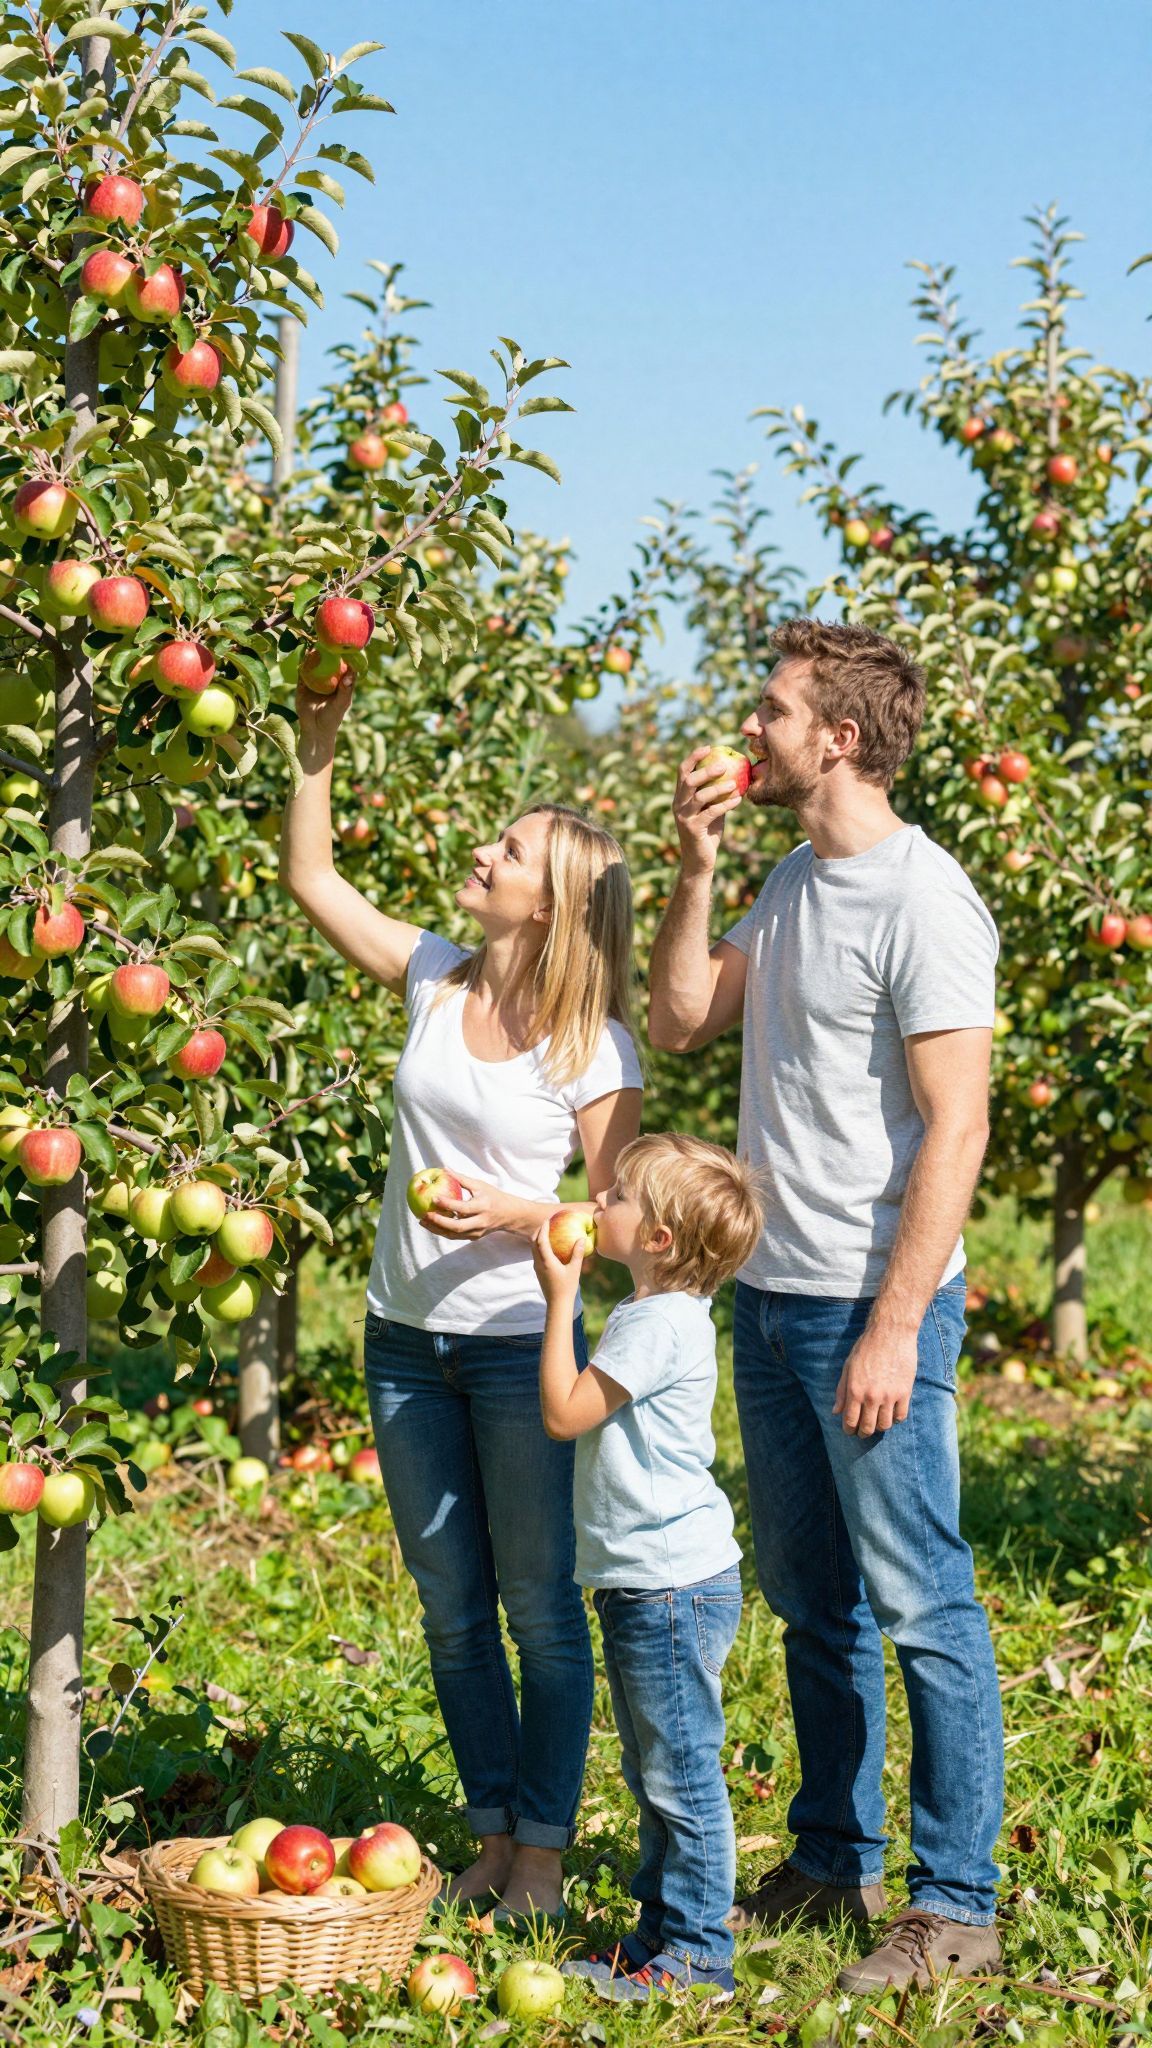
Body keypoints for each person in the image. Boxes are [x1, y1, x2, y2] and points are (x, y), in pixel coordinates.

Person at [647, 618, 1004, 1992]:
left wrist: (899, 1325)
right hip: (774, 1294)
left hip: (872, 1304)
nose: (755, 728)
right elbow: (681, 1020)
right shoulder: (792, 881)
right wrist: (695, 869)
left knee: (924, 1601)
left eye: (775, 711)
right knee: (814, 1601)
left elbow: (957, 1128)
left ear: (839, 738)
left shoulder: (925, 900)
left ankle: (955, 1905)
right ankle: (831, 1856)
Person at [280, 674, 643, 1922]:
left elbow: (624, 1222)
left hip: (510, 1350)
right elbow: (315, 884)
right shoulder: (436, 979)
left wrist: (517, 1213)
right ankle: (489, 1830)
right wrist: (315, 751)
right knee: (449, 1609)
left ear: (557, 905)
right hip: (401, 1341)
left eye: (511, 850)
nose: (481, 853)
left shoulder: (593, 1046)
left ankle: (543, 1848)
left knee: (541, 1608)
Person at [531, 1134, 763, 2004]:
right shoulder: (662, 1315)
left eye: (618, 1198)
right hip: (651, 1582)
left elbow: (564, 1413)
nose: (597, 1206)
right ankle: (662, 1935)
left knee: (680, 1773)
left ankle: (699, 1956)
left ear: (659, 1240)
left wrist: (559, 1299)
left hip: (668, 1587)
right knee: (653, 1770)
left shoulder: (654, 1325)